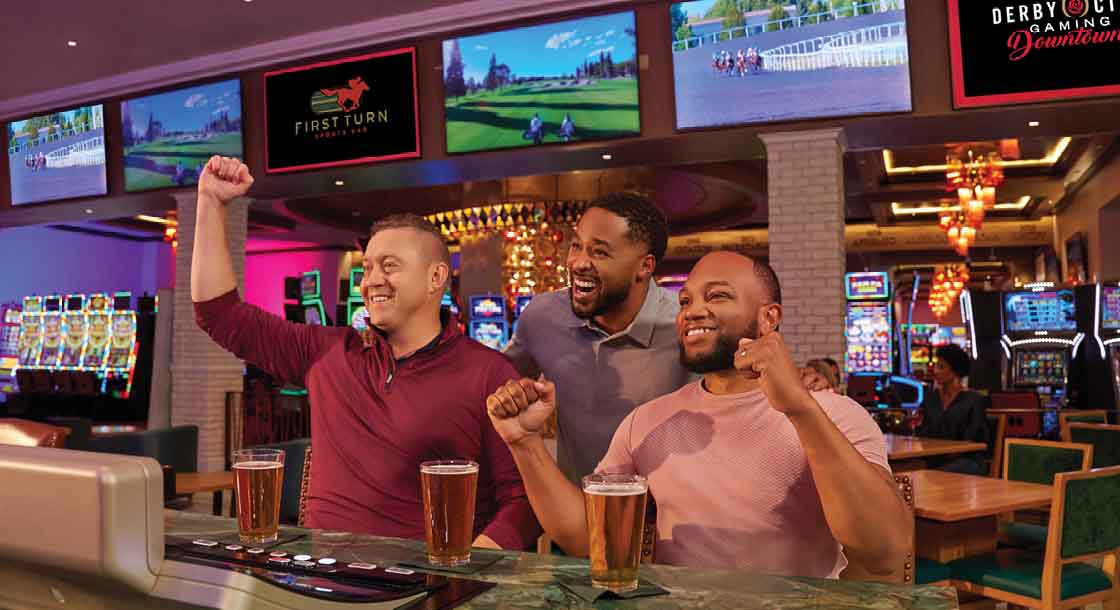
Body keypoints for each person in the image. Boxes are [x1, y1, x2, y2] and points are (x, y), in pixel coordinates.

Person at [488, 251, 911, 578]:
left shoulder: (835, 414)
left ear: (769, 318)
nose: (691, 310)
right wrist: (524, 444)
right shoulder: (649, 420)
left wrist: (798, 407)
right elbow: (586, 538)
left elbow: (885, 552)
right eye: (686, 300)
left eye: (718, 296)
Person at [191, 156, 539, 550]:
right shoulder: (328, 352)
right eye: (369, 266)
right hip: (322, 579)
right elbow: (218, 315)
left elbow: (523, 501)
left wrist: (466, 569)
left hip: (424, 586)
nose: (372, 280)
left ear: (436, 277)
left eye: (389, 266)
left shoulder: (489, 373)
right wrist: (211, 203)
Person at [502, 193, 693, 487]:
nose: (578, 263)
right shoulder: (542, 317)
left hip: (667, 522)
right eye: (577, 246)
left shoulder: (687, 327)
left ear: (645, 266)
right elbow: (494, 382)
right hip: (576, 517)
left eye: (599, 252)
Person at [918, 344, 990, 474]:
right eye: (936, 366)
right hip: (936, 458)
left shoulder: (973, 400)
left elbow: (974, 439)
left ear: (955, 371)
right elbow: (924, 433)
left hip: (967, 460)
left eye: (941, 367)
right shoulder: (931, 397)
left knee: (933, 474)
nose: (935, 371)